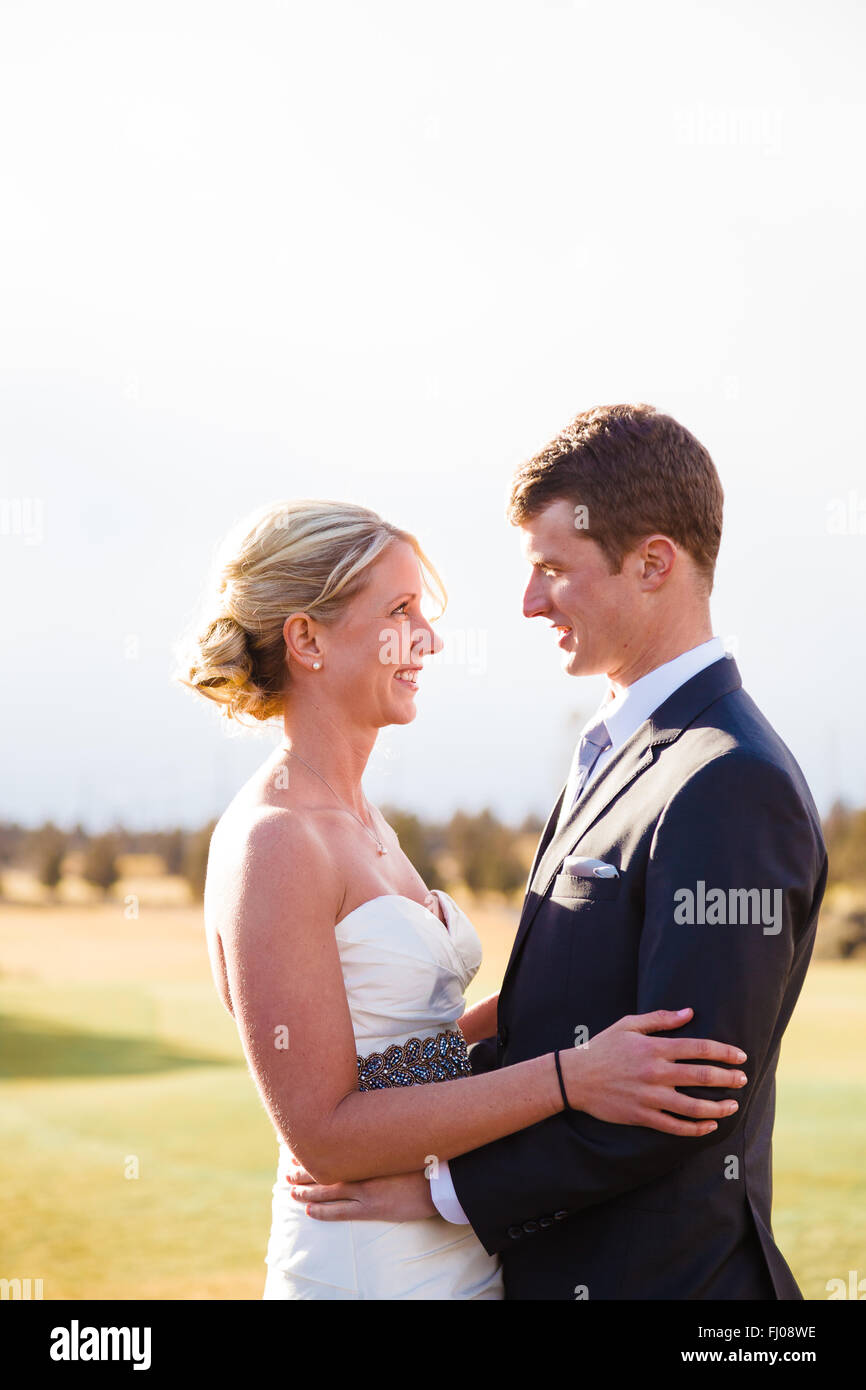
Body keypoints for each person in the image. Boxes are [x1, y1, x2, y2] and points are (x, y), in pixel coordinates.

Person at [291, 405, 827, 1301]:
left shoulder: (730, 781)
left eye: (553, 570)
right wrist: (366, 1098)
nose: (530, 602)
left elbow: (680, 1097)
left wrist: (439, 1192)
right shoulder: (616, 749)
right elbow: (548, 1014)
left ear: (653, 562)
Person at [176, 493, 747, 1300]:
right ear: (306, 638)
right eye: (401, 612)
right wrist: (572, 1076)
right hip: (362, 1264)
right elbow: (326, 1135)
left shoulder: (363, 816)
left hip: (456, 1250)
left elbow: (408, 1054)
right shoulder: (275, 840)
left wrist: (576, 1011)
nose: (430, 640)